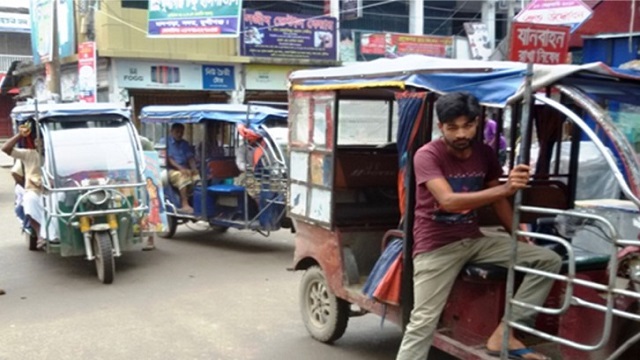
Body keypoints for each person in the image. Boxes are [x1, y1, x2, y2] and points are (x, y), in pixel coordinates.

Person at [396, 92, 561, 360]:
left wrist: (517, 236)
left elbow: (498, 202)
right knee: (423, 321)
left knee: (548, 260)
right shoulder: (427, 155)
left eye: (467, 126)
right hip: (436, 246)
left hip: (474, 239)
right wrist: (507, 189)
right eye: (452, 128)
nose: (461, 133)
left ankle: (506, 333)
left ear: (476, 124)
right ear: (441, 128)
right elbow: (448, 201)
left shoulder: (484, 153)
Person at [2, 124, 59, 246]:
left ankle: (56, 234)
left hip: (53, 191)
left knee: (58, 203)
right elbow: (5, 149)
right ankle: (40, 234)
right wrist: (19, 135)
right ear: (35, 142)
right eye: (38, 140)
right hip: (34, 190)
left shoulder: (57, 156)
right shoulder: (29, 154)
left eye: (44, 141)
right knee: (29, 201)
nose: (41, 143)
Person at [167, 123, 200, 213]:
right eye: (177, 132)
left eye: (181, 132)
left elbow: (190, 158)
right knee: (182, 177)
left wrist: (194, 169)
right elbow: (169, 159)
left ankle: (196, 203)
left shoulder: (184, 144)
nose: (179, 134)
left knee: (198, 179)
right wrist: (180, 168)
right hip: (171, 170)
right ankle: (184, 204)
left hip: (184, 168)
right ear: (171, 131)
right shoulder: (166, 142)